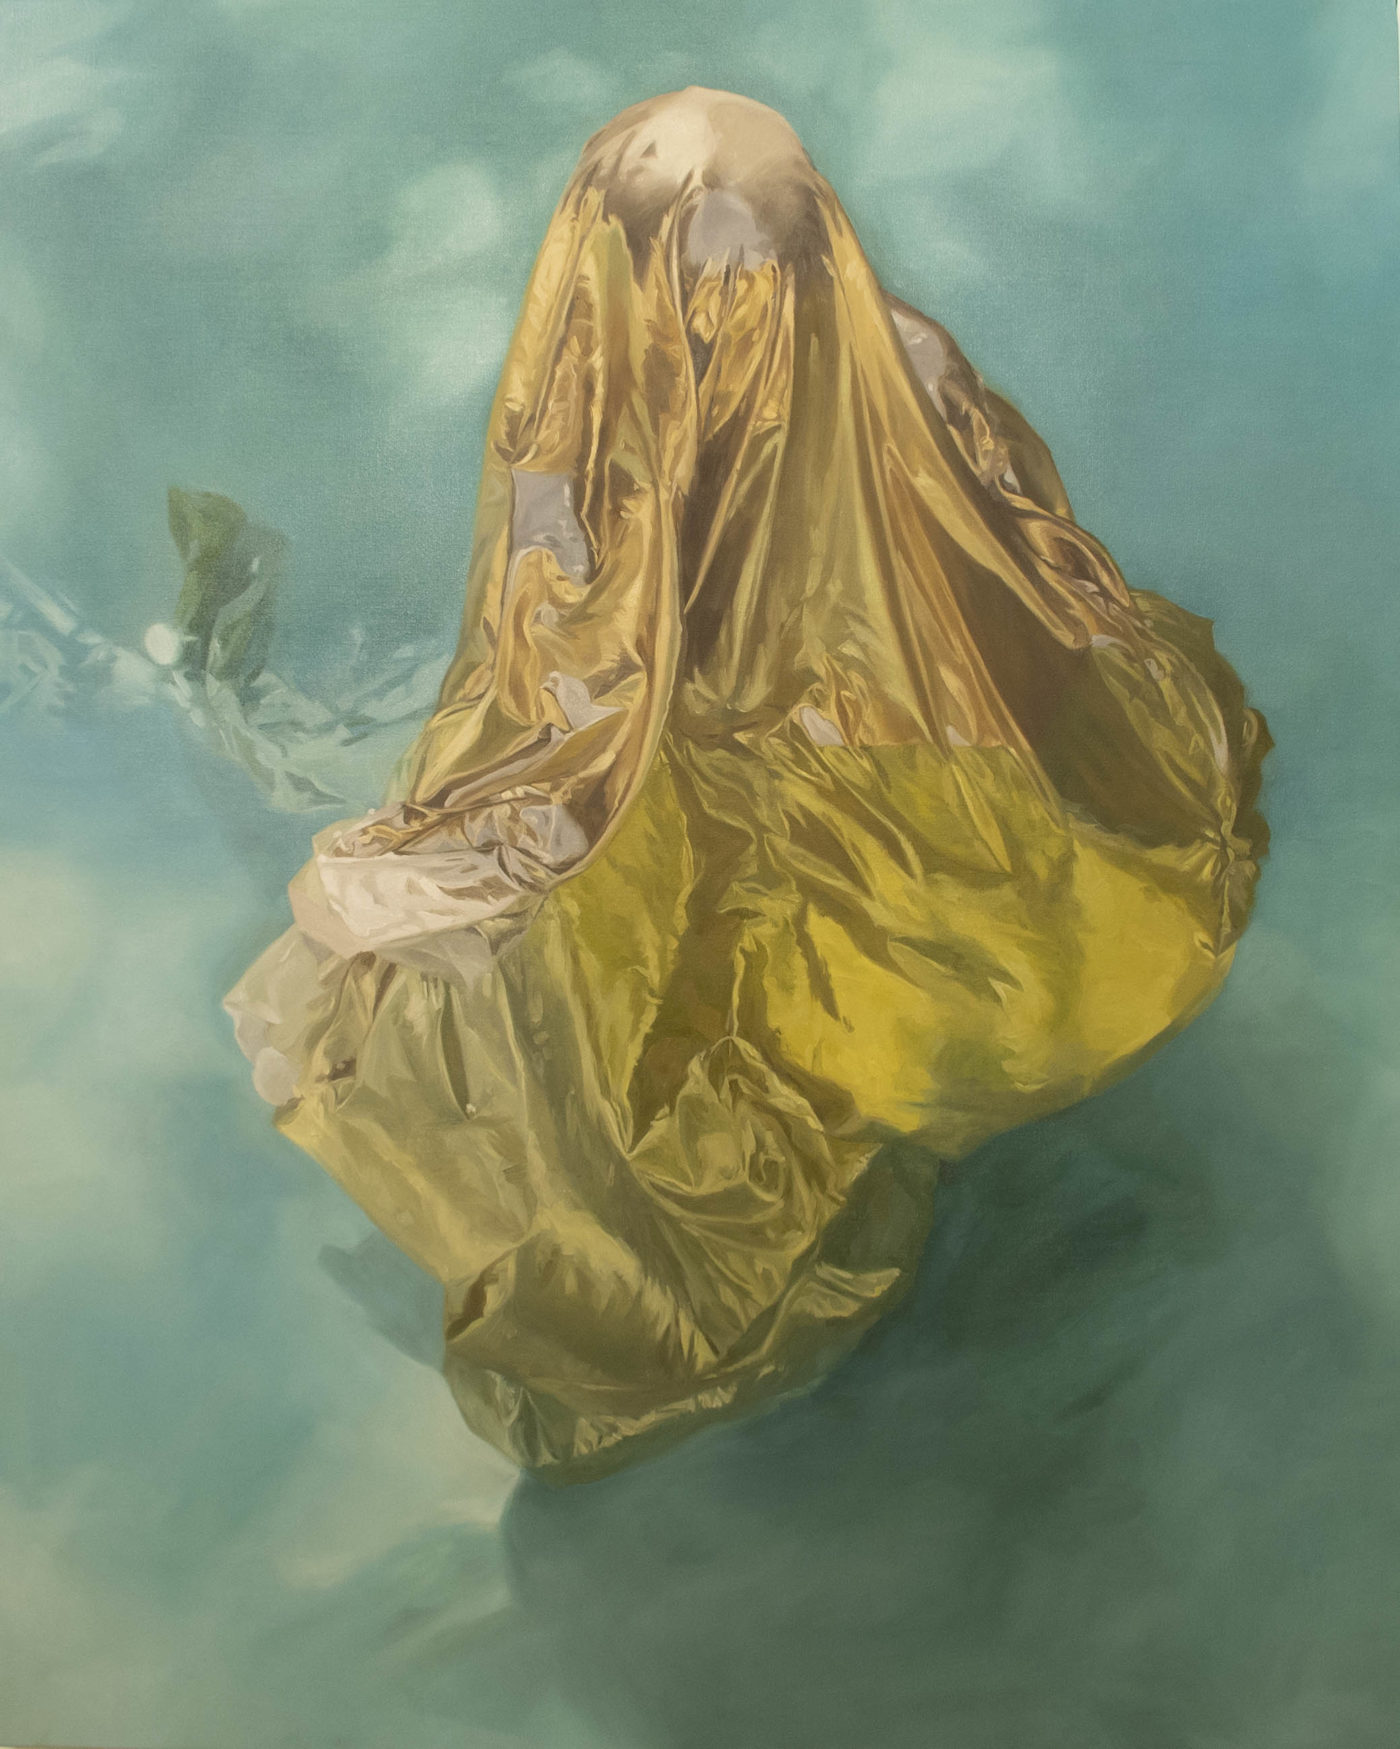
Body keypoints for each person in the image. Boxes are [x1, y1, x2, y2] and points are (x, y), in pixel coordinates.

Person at [224, 87, 1270, 1481]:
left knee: (567, 984)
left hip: (748, 841)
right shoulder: (906, 363)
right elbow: (1037, 565)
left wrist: (366, 893)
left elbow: (567, 749)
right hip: (945, 832)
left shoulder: (595, 476)